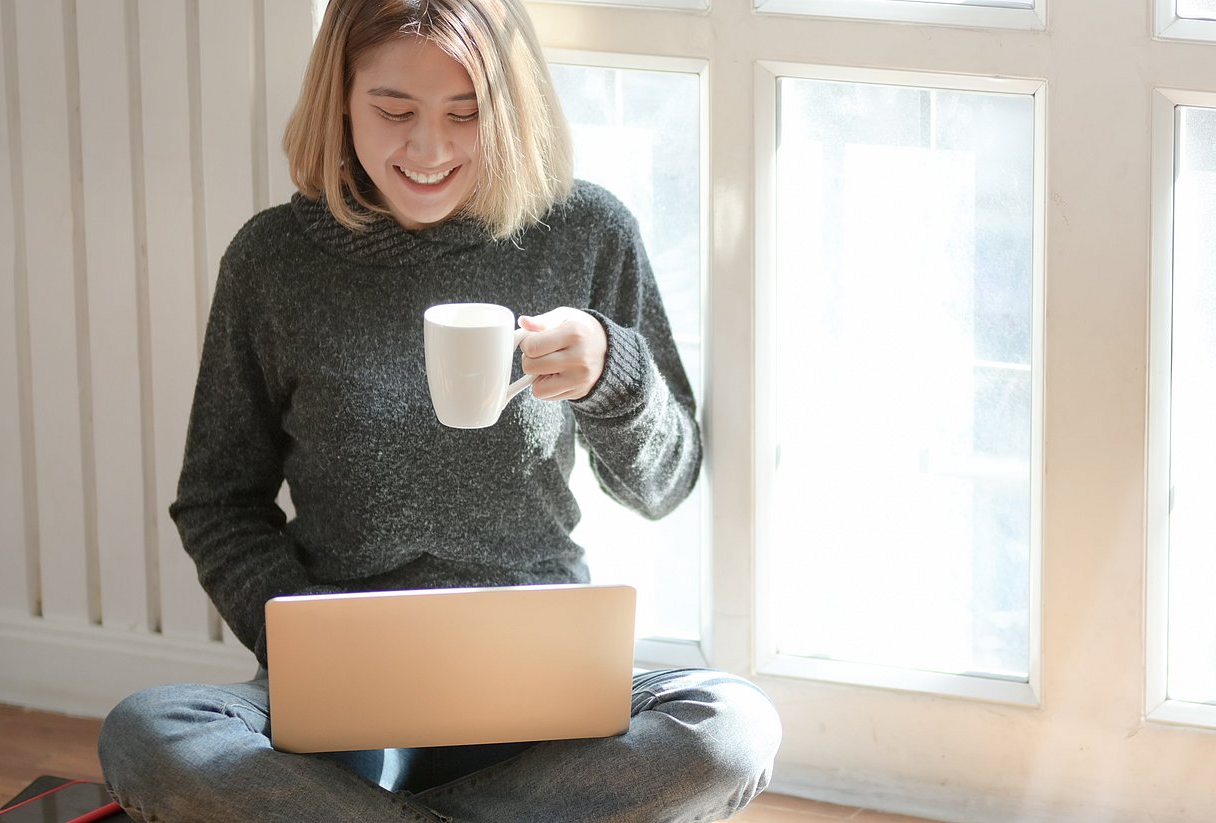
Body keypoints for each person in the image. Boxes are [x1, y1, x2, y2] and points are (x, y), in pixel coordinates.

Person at [96, 0, 781, 820]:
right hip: (347, 696)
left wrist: (613, 371)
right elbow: (217, 502)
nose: (430, 149)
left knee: (732, 725)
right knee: (147, 732)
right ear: (340, 100)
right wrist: (309, 642)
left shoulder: (587, 232)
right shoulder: (273, 261)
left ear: (514, 105)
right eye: (393, 111)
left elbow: (665, 484)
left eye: (468, 113)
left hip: (542, 684)